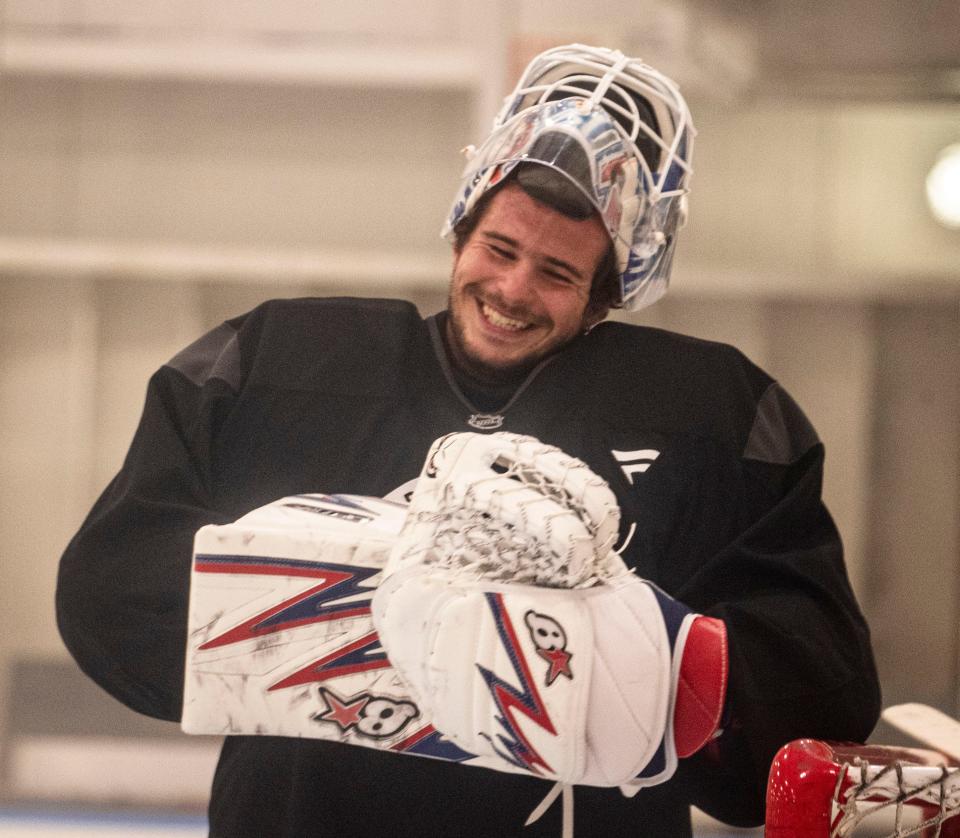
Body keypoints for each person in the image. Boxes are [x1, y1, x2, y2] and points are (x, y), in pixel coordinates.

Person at [56, 44, 881, 837]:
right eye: (498, 248)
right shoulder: (270, 365)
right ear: (460, 228)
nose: (513, 290)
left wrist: (642, 648)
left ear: (607, 294)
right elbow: (110, 591)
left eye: (557, 273)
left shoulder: (718, 418)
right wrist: (338, 586)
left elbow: (819, 695)